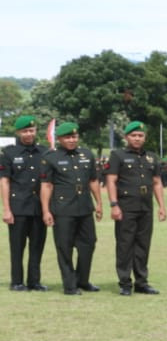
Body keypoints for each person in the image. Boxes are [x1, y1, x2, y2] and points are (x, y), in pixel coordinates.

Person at [103, 121, 167, 295]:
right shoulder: (118, 155)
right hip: (126, 206)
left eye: (140, 135)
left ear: (144, 137)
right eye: (133, 135)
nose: (137, 138)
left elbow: (157, 183)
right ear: (126, 137)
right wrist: (114, 204)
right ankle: (125, 283)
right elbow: (111, 181)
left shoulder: (152, 157)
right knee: (125, 245)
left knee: (143, 245)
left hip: (146, 207)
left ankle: (141, 282)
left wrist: (162, 206)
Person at [39, 121, 102, 295]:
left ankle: (83, 280)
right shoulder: (50, 157)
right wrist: (46, 210)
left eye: (74, 136)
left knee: (88, 244)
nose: (72, 140)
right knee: (64, 247)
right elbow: (47, 186)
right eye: (68, 137)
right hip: (63, 209)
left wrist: (99, 203)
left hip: (84, 208)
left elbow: (93, 181)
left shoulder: (87, 154)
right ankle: (70, 285)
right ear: (59, 139)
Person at [0, 114, 49, 291]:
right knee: (17, 247)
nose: (29, 134)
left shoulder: (44, 152)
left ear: (36, 131)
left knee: (37, 246)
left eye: (31, 130)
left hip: (38, 207)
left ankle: (34, 281)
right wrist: (6, 209)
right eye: (25, 131)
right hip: (18, 207)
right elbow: (4, 182)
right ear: (18, 132)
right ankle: (17, 281)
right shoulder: (9, 153)